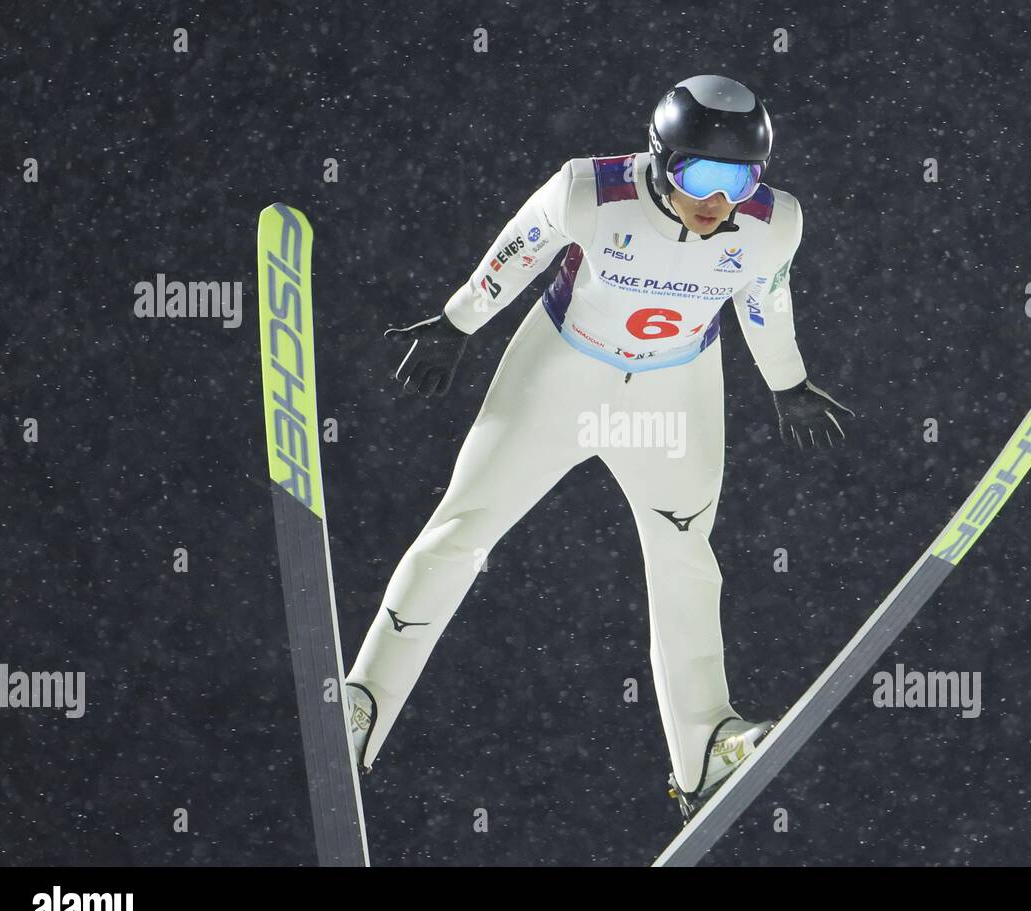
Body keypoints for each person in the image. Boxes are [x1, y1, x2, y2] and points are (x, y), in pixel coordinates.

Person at [344, 74, 853, 821]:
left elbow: (764, 301)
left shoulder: (774, 223)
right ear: (659, 159)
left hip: (673, 391)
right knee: (462, 529)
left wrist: (787, 383)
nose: (717, 200)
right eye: (699, 175)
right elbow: (518, 249)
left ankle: (706, 747)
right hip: (562, 372)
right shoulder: (589, 190)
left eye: (740, 180)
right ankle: (362, 703)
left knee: (684, 556)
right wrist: (458, 325)